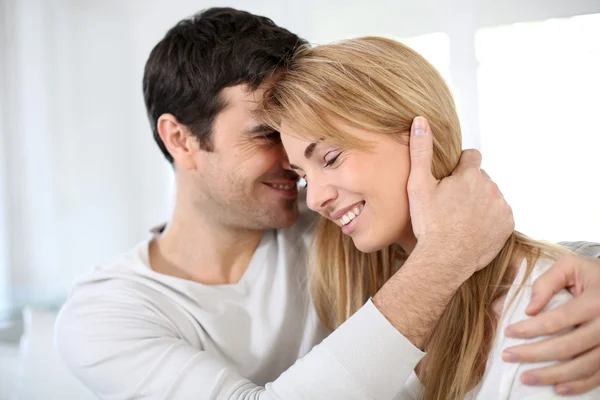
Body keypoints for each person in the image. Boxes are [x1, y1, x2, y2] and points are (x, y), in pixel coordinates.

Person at [54, 7, 600, 399]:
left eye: (321, 150)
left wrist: (589, 273)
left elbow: (489, 242)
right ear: (180, 139)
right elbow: (453, 245)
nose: (306, 187)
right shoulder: (106, 314)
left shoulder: (339, 227)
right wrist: (444, 257)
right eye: (268, 135)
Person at [258, 36, 600, 399]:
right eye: (304, 176)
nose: (314, 199)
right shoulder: (382, 306)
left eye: (330, 158)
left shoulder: (550, 315)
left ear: (419, 135)